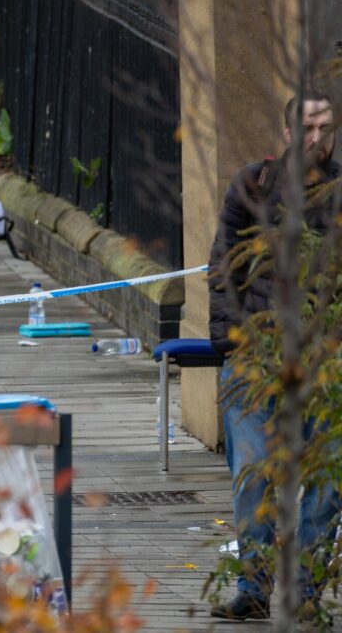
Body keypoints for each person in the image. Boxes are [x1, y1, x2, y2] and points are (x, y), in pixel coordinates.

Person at [208, 91, 341, 621]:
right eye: (307, 129)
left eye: (326, 128)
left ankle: (306, 589)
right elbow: (223, 270)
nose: (317, 140)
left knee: (328, 480)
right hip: (257, 355)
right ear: (287, 133)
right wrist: (235, 343)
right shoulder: (252, 187)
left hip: (326, 357)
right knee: (256, 472)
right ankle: (255, 587)